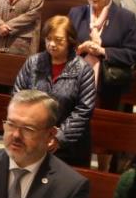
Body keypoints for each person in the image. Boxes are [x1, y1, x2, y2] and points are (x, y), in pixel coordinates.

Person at [14, 16, 96, 167]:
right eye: (48, 39)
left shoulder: (83, 70)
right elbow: (18, 96)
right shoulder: (33, 62)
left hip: (70, 147)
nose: (52, 44)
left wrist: (59, 137)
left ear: (70, 41)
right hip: (33, 138)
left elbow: (84, 109)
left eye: (58, 40)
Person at [68, 0, 136, 112]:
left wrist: (102, 51)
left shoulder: (125, 17)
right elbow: (65, 45)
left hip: (110, 84)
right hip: (75, 81)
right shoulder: (76, 13)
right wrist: (80, 49)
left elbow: (133, 53)